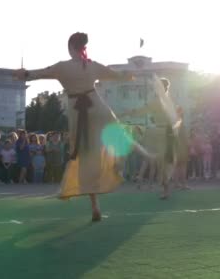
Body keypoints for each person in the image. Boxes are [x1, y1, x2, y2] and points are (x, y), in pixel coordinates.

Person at [12, 32, 135, 222]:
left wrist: (24, 74)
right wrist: (127, 76)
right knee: (116, 131)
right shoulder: (92, 65)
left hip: (78, 113)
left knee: (85, 156)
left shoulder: (62, 67)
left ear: (70, 47)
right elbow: (116, 75)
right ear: (83, 48)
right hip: (97, 106)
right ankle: (118, 164)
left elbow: (39, 73)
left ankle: (95, 205)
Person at [122, 77, 182, 199]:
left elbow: (143, 110)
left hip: (164, 133)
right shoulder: (166, 101)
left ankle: (164, 188)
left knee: (163, 163)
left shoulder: (162, 101)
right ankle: (164, 188)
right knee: (161, 162)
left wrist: (129, 112)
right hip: (163, 132)